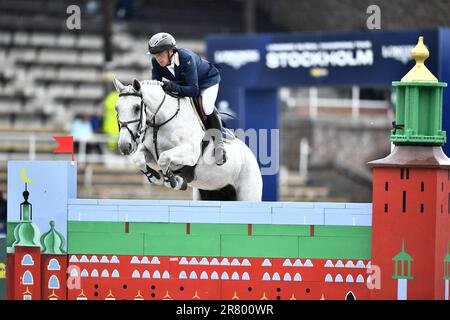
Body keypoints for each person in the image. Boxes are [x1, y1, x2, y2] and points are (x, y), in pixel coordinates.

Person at [148, 32, 227, 165]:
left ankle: (219, 146)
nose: (158, 58)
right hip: (185, 83)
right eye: (156, 55)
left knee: (206, 107)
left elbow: (194, 91)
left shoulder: (186, 58)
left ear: (171, 51)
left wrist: (171, 86)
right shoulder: (155, 63)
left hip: (207, 81)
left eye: (160, 54)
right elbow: (157, 86)